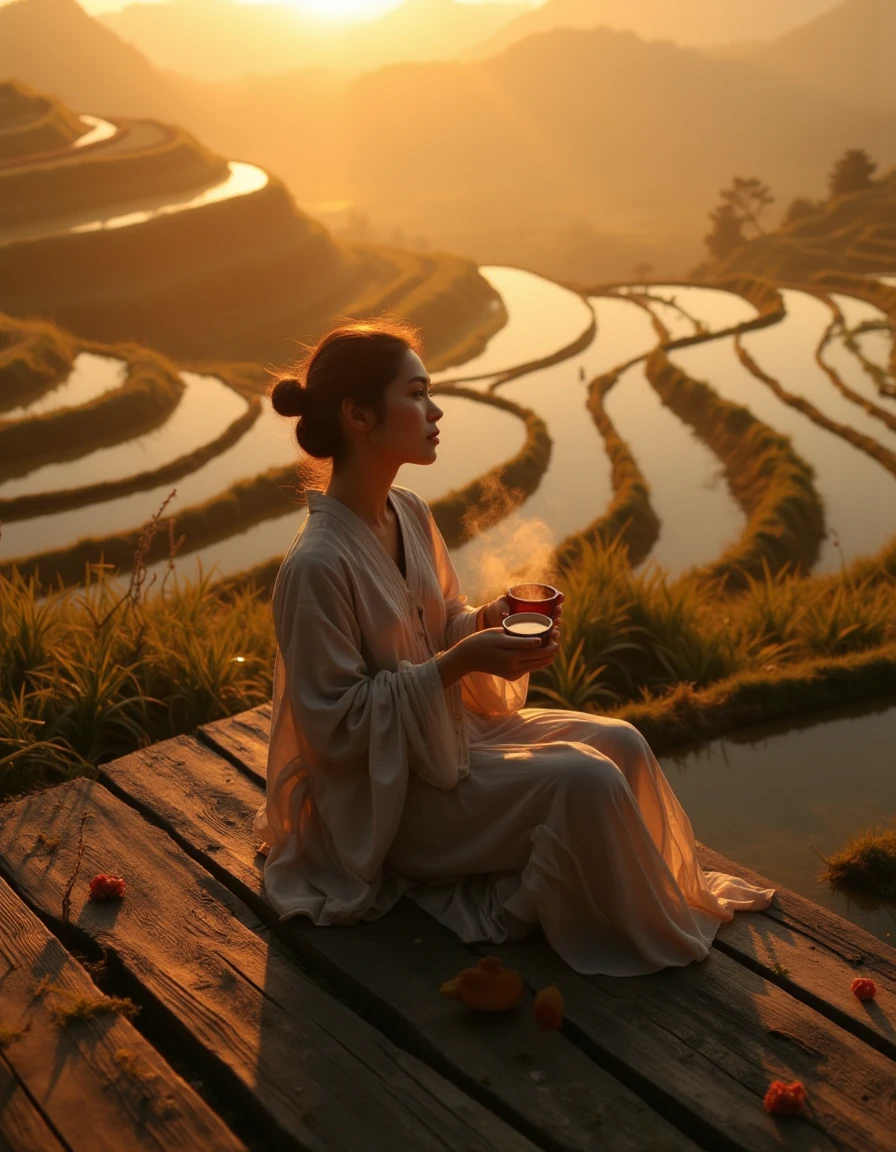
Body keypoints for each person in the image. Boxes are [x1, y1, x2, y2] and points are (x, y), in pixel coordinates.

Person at [254, 319, 774, 977]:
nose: (435, 410)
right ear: (358, 415)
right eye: (416, 394)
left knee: (623, 743)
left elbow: (439, 623)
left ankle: (662, 894)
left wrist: (485, 622)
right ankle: (625, 919)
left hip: (450, 741)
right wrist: (461, 662)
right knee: (585, 779)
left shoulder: (407, 512)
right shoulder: (316, 568)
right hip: (394, 805)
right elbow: (335, 727)